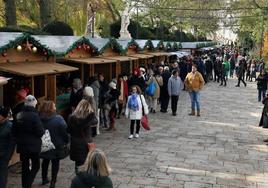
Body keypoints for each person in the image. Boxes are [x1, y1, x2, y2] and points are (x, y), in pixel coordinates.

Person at [12, 95, 45, 188]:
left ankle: (25, 185)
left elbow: (13, 131)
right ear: (34, 105)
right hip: (34, 146)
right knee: (36, 166)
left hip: (22, 146)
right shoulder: (35, 116)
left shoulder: (18, 115)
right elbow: (40, 132)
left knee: (25, 167)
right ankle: (27, 185)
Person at [39, 101, 69, 188]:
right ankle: (53, 182)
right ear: (52, 108)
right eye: (54, 106)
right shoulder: (59, 119)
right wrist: (66, 141)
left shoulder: (39, 118)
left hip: (45, 144)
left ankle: (44, 179)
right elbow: (65, 132)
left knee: (45, 161)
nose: (55, 107)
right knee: (55, 163)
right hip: (57, 145)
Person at [68, 99, 98, 174]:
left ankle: (78, 177)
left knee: (78, 162)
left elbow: (68, 130)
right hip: (86, 144)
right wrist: (91, 113)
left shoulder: (71, 117)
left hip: (75, 143)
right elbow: (95, 121)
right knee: (87, 163)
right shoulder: (88, 118)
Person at [0, 106, 15, 188]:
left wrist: (7, 156)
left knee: (2, 175)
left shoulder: (10, 126)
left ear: (4, 116)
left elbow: (12, 144)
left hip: (3, 155)